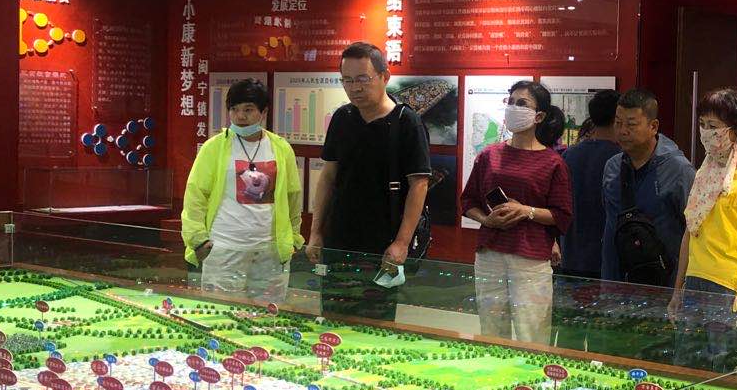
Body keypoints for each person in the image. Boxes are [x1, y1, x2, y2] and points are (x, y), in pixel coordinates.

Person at [307, 43, 432, 315]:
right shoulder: (342, 118)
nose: (355, 88)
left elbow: (419, 185)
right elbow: (327, 177)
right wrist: (316, 232)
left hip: (383, 243)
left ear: (384, 77)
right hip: (339, 239)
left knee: (375, 321)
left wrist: (401, 243)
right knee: (333, 315)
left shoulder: (406, 122)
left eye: (363, 79)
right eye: (347, 80)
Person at [462, 81, 573, 344]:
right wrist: (486, 219)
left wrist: (526, 211)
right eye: (510, 102)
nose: (513, 107)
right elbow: (467, 201)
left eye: (521, 103)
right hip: (490, 254)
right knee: (492, 331)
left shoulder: (553, 162)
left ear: (539, 116)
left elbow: (562, 215)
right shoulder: (489, 155)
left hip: (530, 258)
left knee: (531, 334)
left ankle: (531, 372)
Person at [671, 88, 737, 343]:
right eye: (702, 124)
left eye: (713, 126)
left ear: (736, 129)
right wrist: (677, 290)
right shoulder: (704, 172)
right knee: (686, 361)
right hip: (694, 281)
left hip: (729, 289)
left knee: (724, 362)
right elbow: (690, 232)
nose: (705, 132)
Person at [181, 78, 302, 304]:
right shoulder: (214, 147)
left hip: (270, 250)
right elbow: (195, 195)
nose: (240, 116)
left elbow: (292, 196)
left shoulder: (281, 147)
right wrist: (197, 239)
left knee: (267, 315)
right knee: (221, 313)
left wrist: (294, 239)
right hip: (225, 247)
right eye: (234, 109)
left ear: (263, 112)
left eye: (248, 109)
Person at [600, 89, 694, 284]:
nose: (622, 131)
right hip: (617, 283)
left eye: (631, 124)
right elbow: (609, 223)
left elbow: (694, 232)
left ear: (653, 126)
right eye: (618, 123)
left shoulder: (679, 170)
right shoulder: (612, 167)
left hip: (664, 285)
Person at [559, 89, 620, 280]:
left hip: (571, 254)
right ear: (617, 117)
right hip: (606, 258)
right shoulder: (620, 158)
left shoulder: (569, 155)